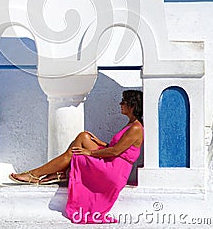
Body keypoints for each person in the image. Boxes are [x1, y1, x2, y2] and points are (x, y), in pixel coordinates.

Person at [9, 89, 144, 224]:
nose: (120, 104)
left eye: (124, 102)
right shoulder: (131, 124)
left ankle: (34, 174)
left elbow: (115, 152)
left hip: (115, 170)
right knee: (84, 136)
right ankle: (58, 172)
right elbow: (119, 148)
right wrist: (100, 143)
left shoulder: (136, 128)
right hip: (112, 162)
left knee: (75, 153)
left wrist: (90, 152)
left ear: (132, 106)